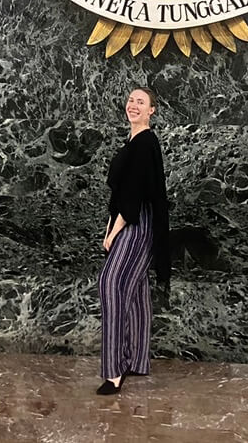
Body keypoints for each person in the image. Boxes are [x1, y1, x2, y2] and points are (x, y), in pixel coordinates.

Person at [96, 86, 170, 395]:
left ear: (152, 111)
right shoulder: (133, 142)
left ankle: (114, 371)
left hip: (138, 223)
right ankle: (137, 359)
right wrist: (108, 227)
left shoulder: (145, 143)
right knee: (136, 289)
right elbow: (121, 193)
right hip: (130, 220)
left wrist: (115, 232)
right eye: (130, 100)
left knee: (111, 284)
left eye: (141, 102)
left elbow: (135, 196)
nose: (133, 105)